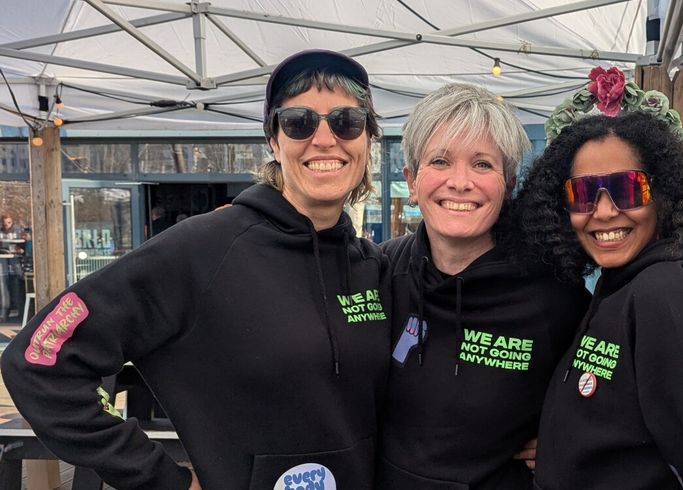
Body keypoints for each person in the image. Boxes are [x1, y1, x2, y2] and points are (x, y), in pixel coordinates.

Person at [1, 50, 391, 489]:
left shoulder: (370, 266)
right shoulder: (204, 249)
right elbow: (38, 360)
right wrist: (163, 480)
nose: (324, 139)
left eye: (346, 121)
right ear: (274, 141)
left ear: (367, 140)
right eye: (299, 121)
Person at [513, 69, 683, 489]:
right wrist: (563, 443)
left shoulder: (672, 296)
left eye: (627, 189)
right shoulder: (622, 286)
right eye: (584, 194)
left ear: (665, 194)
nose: (603, 212)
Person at [377, 83, 590, 489]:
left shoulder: (553, 296)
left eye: (482, 165)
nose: (460, 182)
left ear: (508, 184)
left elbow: (613, 395)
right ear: (411, 180)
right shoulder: (382, 270)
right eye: (440, 161)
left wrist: (571, 438)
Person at [0, 213, 26, 322]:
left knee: (18, 287)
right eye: (4, 223)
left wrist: (21, 248)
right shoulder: (1, 232)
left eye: (9, 223)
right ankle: (4, 312)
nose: (7, 226)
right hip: (2, 264)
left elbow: (23, 246)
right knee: (3, 288)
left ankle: (21, 312)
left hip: (15, 264)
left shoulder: (18, 232)